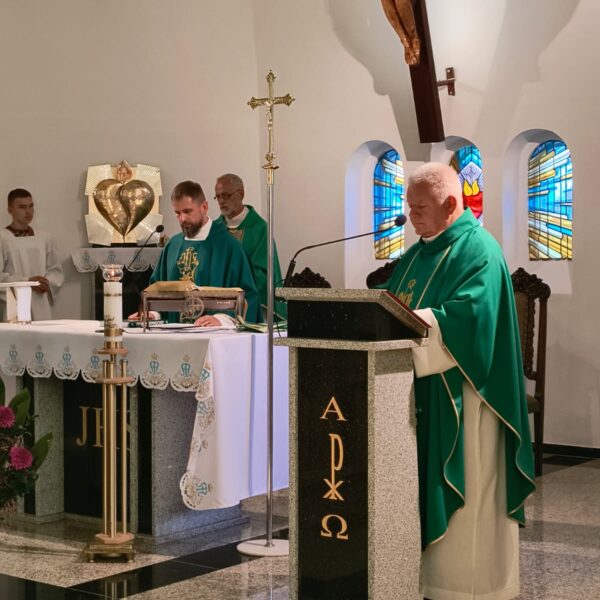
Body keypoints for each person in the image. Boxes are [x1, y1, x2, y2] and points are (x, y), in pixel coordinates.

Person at [379, 163, 535, 600]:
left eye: (420, 207)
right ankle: (422, 579)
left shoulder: (479, 249)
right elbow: (387, 307)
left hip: (467, 395)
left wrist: (414, 323)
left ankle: (471, 588)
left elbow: (472, 318)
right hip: (422, 391)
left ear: (451, 204)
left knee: (472, 501)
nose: (411, 214)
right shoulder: (416, 254)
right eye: (409, 206)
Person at [133, 180, 261, 326]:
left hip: (213, 334)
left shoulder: (229, 246)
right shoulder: (173, 245)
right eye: (177, 213)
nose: (182, 219)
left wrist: (222, 319)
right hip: (174, 334)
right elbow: (158, 290)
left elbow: (248, 295)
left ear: (204, 207)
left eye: (187, 211)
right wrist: (153, 313)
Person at [213, 173, 286, 320]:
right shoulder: (214, 230)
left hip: (251, 305)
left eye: (225, 195)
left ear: (241, 194)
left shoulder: (260, 229)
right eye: (218, 196)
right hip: (216, 307)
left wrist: (235, 290)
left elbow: (263, 274)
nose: (221, 201)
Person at [0, 188, 63, 320]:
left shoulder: (45, 238)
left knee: (42, 332)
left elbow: (55, 270)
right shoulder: (3, 239)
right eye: (22, 207)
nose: (28, 212)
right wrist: (27, 282)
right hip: (14, 303)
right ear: (10, 210)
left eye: (31, 206)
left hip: (40, 302)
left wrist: (46, 282)